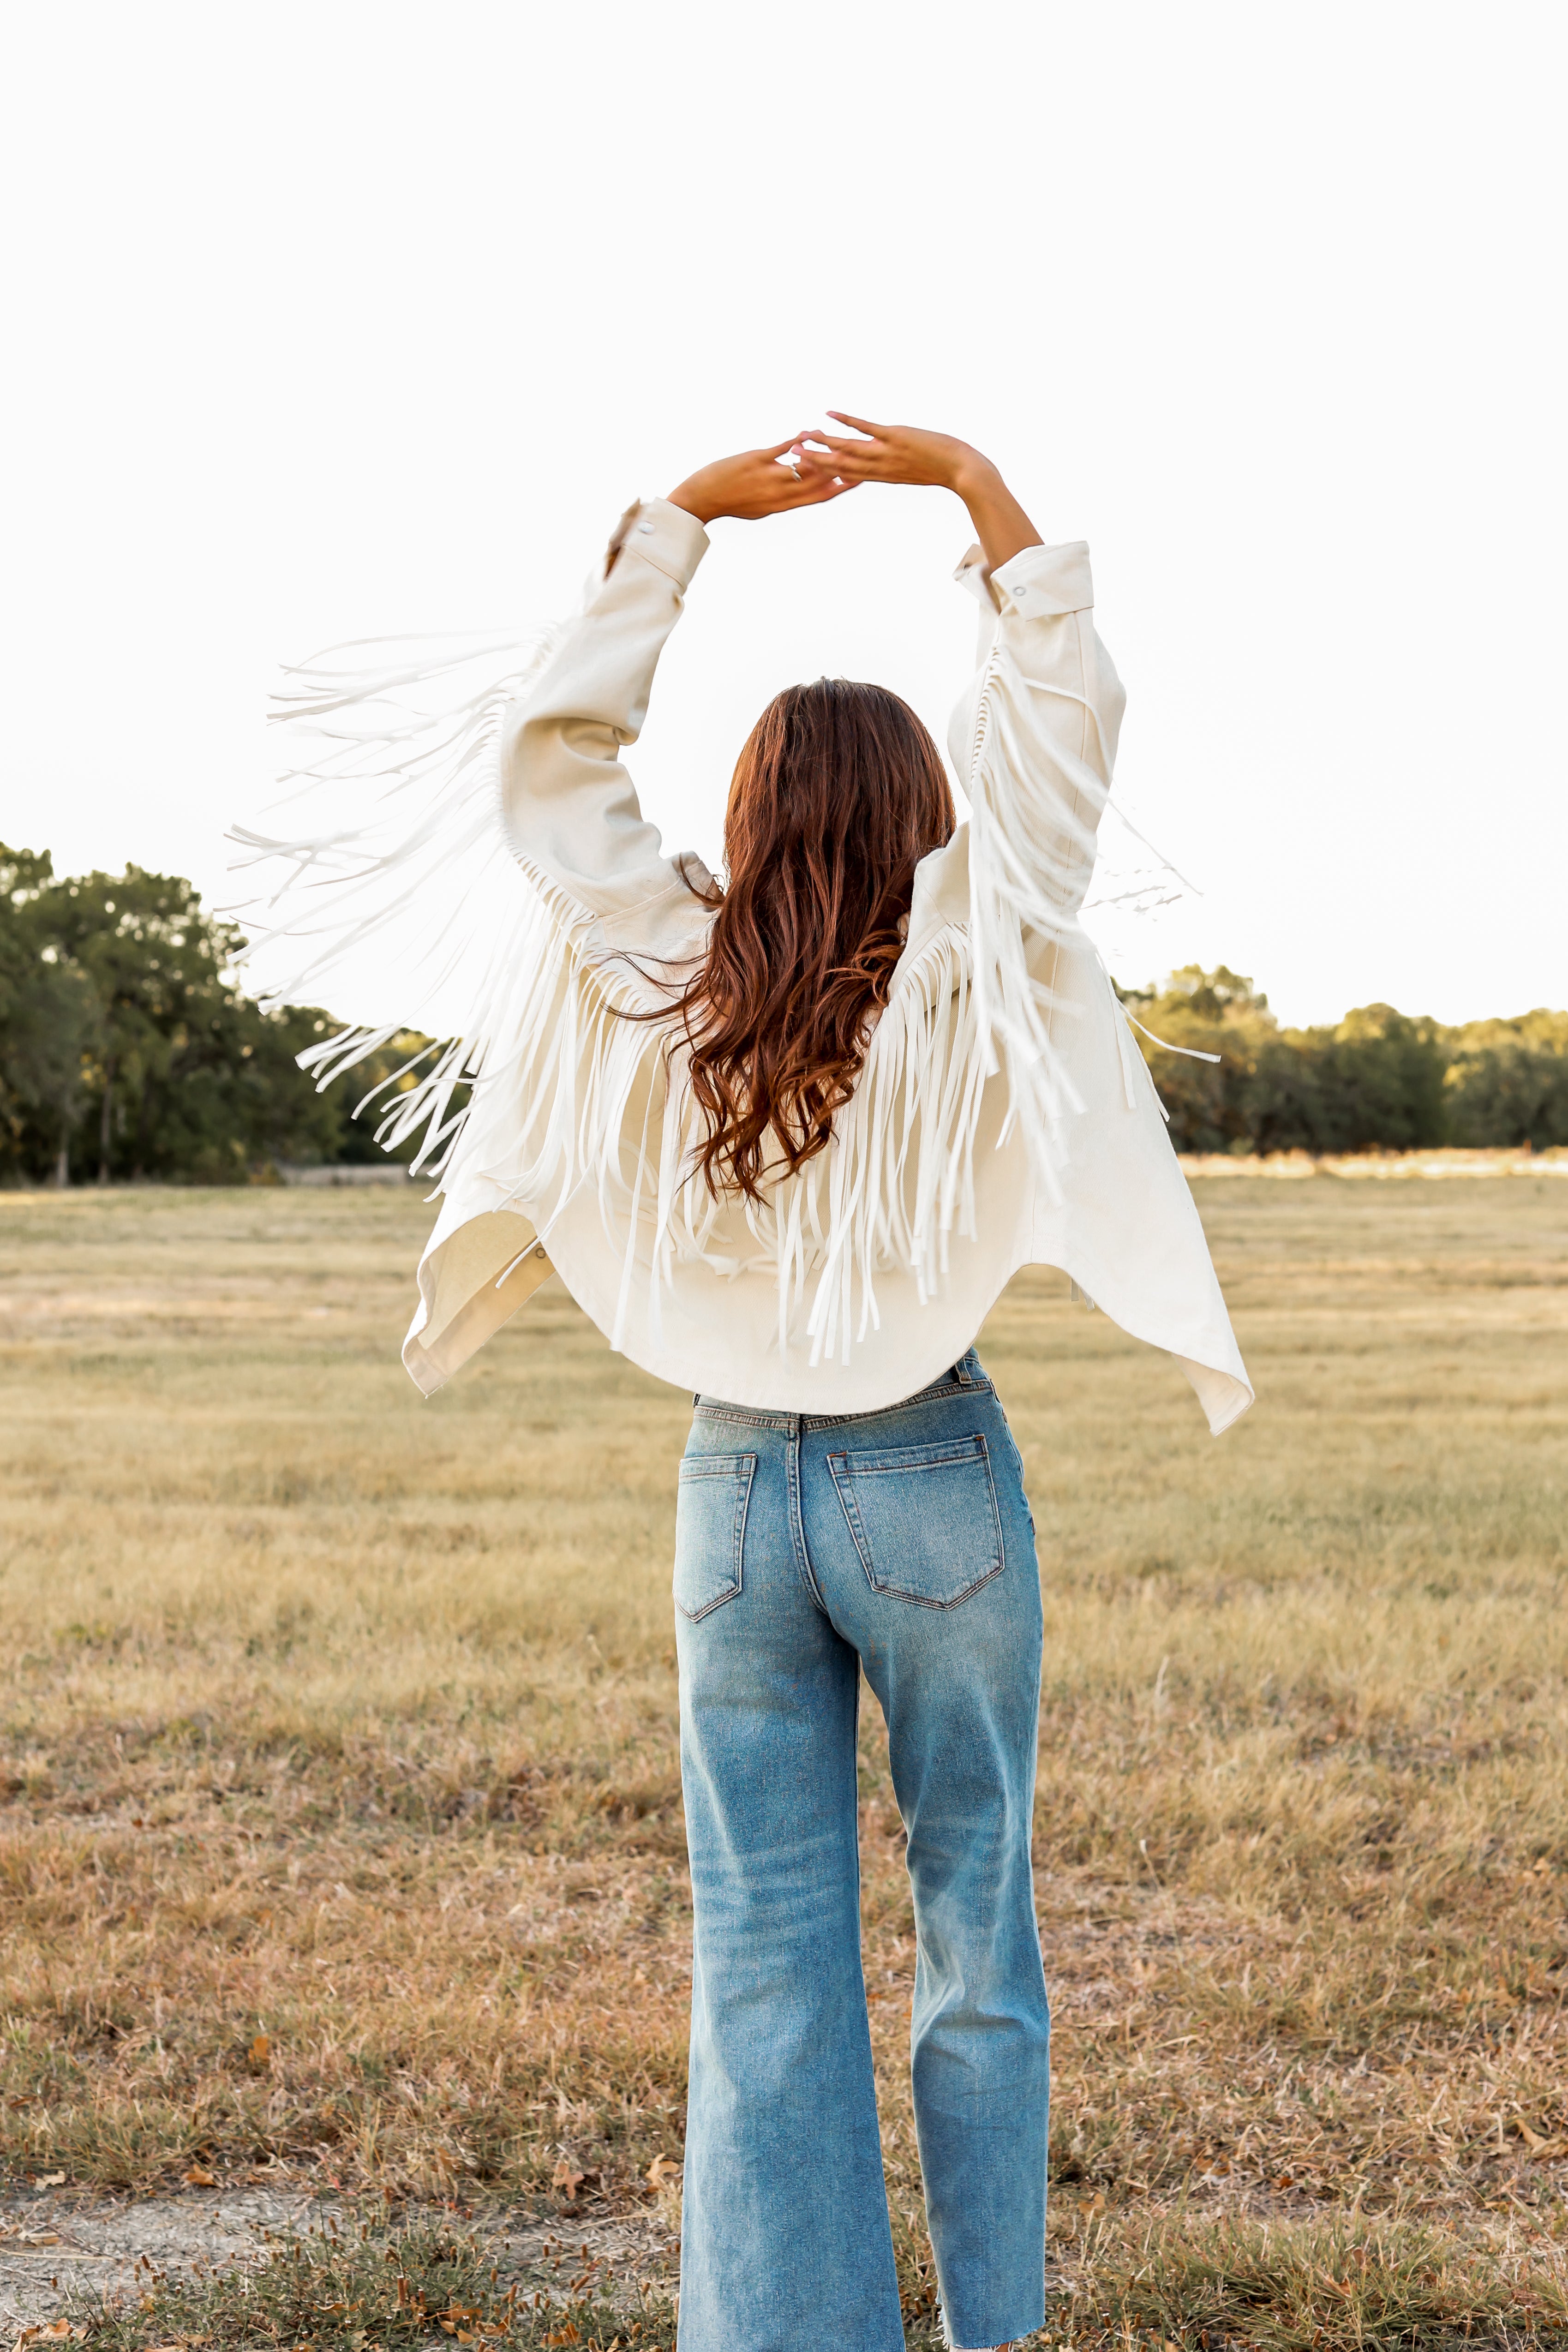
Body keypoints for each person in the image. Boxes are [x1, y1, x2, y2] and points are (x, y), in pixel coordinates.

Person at [242, 418, 1252, 2351]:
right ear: (924, 808)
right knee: (978, 1937)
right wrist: (966, 483)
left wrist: (683, 524)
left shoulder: (670, 966)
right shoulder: (976, 952)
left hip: (731, 1503)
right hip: (927, 1477)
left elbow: (549, 773)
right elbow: (1066, 723)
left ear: (756, 805)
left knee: (766, 1959)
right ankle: (992, 2338)